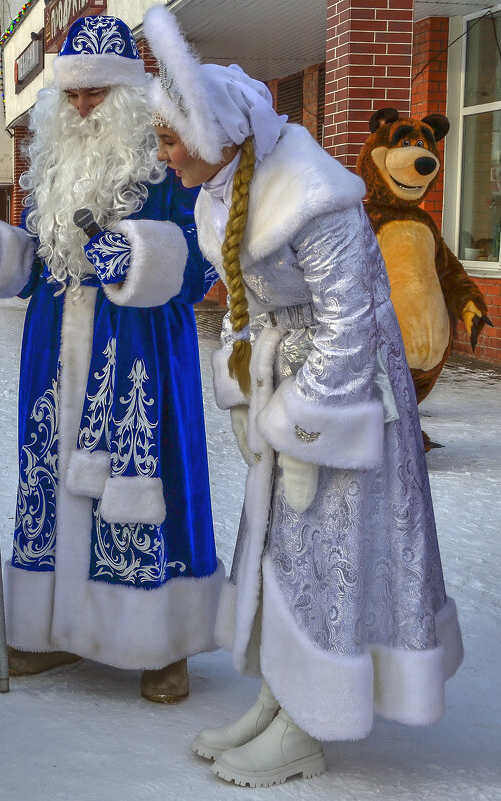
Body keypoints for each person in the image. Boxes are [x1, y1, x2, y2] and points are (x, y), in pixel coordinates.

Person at [142, 5, 463, 787]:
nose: (164, 155)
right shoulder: (220, 188)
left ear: (216, 135)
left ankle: (311, 720)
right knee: (281, 548)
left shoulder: (313, 193)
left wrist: (304, 421)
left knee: (329, 553)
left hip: (349, 404)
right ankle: (279, 696)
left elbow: (355, 322)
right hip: (290, 382)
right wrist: (247, 383)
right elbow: (245, 305)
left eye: (169, 139)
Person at [0, 15, 223, 702]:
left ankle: (162, 644)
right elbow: (40, 256)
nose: (81, 107)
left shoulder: (168, 162)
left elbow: (199, 264)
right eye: (73, 95)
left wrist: (139, 252)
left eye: (96, 94)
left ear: (130, 93)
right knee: (49, 480)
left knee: (145, 484)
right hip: (55, 350)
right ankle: (50, 631)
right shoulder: (51, 163)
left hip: (138, 353)